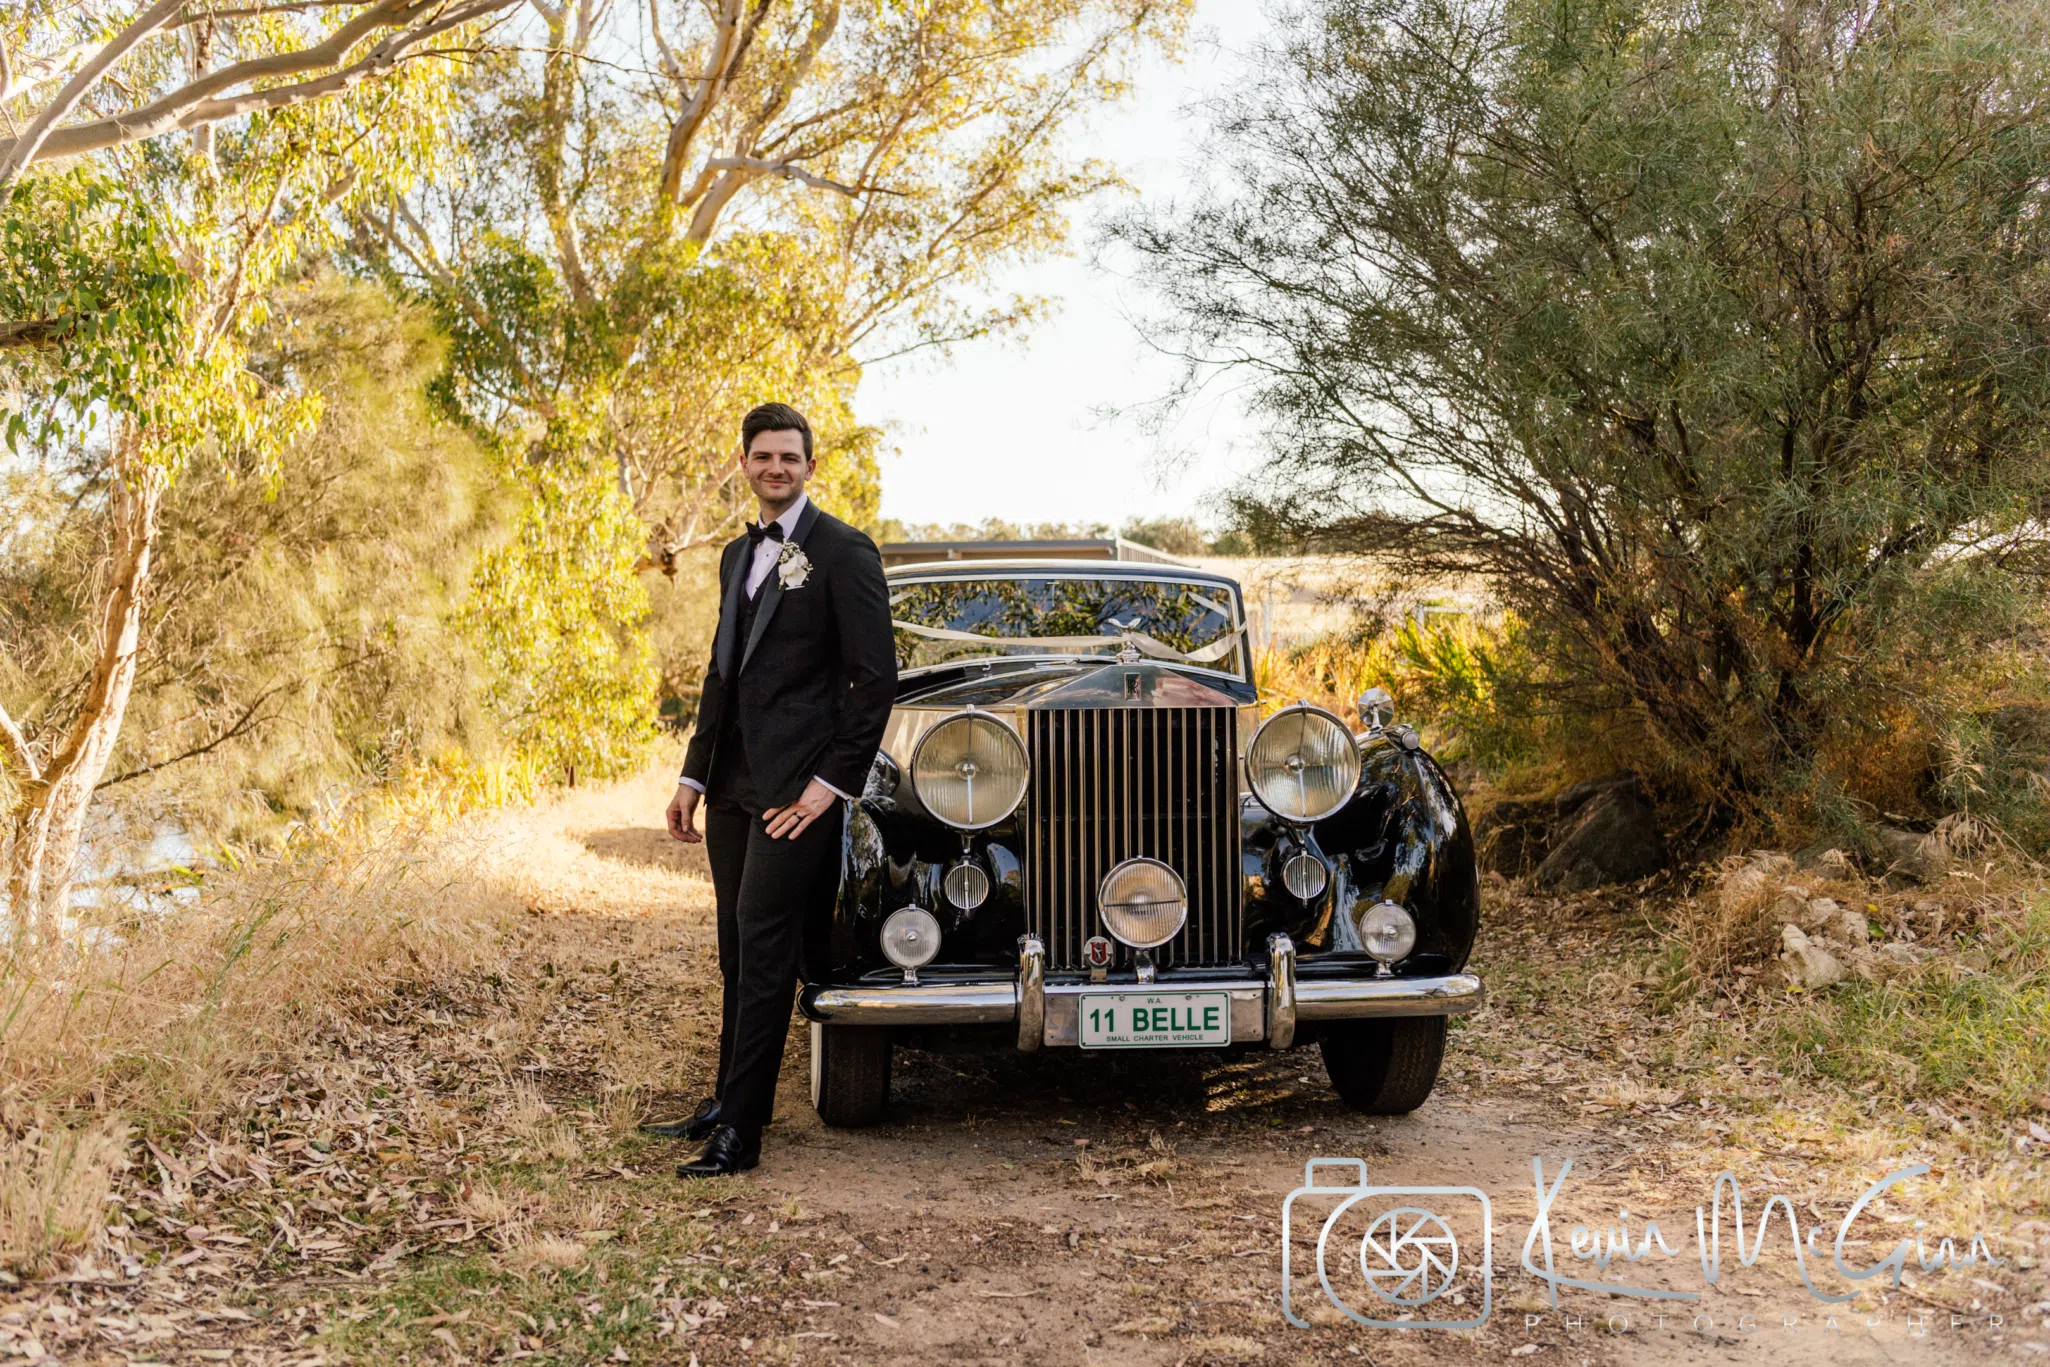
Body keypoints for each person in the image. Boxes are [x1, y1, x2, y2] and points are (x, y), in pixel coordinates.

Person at [650, 402, 896, 1176]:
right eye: (762, 457)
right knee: (735, 947)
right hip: (731, 782)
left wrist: (829, 787)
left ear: (810, 466)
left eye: (789, 457)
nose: (775, 469)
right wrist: (693, 774)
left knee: (764, 945)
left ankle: (743, 1133)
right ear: (746, 464)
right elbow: (721, 672)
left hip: (798, 791)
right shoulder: (735, 555)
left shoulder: (845, 552)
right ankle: (727, 1097)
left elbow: (874, 682)